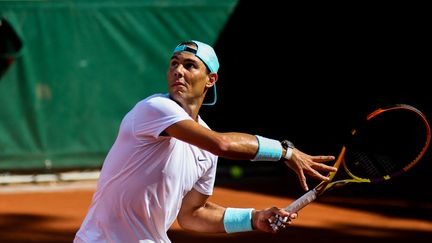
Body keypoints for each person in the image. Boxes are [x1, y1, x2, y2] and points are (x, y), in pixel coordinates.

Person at [73, 40, 337, 243]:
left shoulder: (204, 151)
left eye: (190, 65)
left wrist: (253, 218)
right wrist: (285, 152)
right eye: (174, 63)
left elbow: (192, 215)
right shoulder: (154, 108)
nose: (178, 70)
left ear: (211, 79)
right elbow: (222, 144)